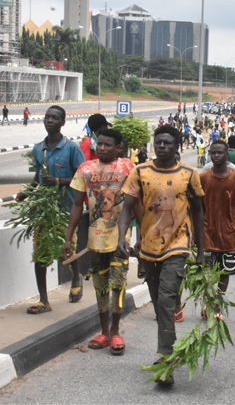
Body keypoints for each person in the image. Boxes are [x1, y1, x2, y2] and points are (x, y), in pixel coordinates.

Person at [117, 124, 205, 385]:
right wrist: (123, 236)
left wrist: (200, 249)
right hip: (148, 246)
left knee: (167, 298)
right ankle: (167, 345)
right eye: (159, 142)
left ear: (177, 146)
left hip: (178, 244)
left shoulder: (189, 174)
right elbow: (127, 208)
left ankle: (165, 357)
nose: (162, 146)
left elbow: (198, 211)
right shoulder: (140, 172)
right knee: (158, 301)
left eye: (168, 142)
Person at [64, 129, 135, 355]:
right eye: (99, 144)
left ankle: (115, 330)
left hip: (120, 240)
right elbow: (77, 205)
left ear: (118, 148)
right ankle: (104, 331)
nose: (102, 148)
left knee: (118, 284)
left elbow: (137, 204)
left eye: (107, 145)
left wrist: (141, 238)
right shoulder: (85, 169)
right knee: (100, 286)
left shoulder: (128, 168)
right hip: (95, 239)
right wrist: (68, 238)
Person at [19, 106, 86, 315]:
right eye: (47, 117)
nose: (50, 121)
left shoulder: (72, 148)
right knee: (40, 252)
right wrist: (27, 192)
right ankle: (43, 300)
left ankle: (76, 276)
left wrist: (59, 181)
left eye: (55, 118)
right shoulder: (39, 149)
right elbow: (37, 176)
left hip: (67, 209)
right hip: (44, 209)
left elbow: (82, 177)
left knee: (66, 249)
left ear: (62, 122)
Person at [200, 140, 235, 318]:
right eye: (213, 153)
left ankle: (216, 306)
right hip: (207, 233)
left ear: (226, 155)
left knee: (224, 273)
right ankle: (207, 302)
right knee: (207, 273)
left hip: (229, 234)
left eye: (219, 153)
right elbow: (197, 208)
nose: (216, 156)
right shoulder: (204, 178)